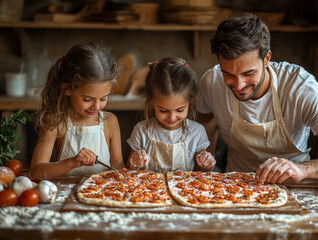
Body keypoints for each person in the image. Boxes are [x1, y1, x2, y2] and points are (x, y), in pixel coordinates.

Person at [197, 13, 318, 183]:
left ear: (266, 58)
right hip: (234, 185)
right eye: (228, 74)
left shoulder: (300, 87)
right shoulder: (211, 82)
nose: (239, 85)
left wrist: (302, 169)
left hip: (296, 189)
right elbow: (202, 140)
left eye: (248, 73)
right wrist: (206, 165)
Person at [31, 42, 125, 180]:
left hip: (104, 193)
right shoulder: (56, 123)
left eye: (103, 98)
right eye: (87, 99)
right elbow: (36, 171)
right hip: (66, 195)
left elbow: (117, 163)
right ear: (67, 89)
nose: (96, 106)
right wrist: (72, 162)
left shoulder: (110, 121)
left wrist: (126, 169)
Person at [126, 57, 216, 173]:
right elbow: (130, 167)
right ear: (151, 102)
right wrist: (135, 162)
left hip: (186, 190)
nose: (172, 117)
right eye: (163, 111)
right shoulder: (142, 130)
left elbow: (201, 171)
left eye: (179, 110)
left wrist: (206, 164)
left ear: (190, 101)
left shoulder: (197, 132)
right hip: (149, 190)